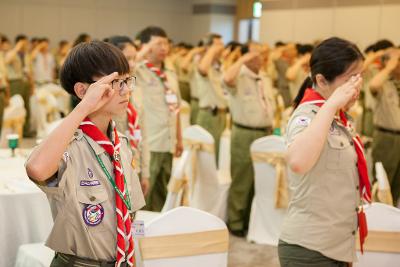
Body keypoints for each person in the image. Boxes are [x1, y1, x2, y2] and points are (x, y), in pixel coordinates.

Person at [25, 41, 145, 267]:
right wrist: (84, 107)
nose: (126, 90)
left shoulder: (121, 144)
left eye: (127, 81)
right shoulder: (68, 144)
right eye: (115, 83)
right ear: (82, 90)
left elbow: (129, 216)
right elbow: (37, 168)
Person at [279, 37, 371, 267]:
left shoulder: (338, 117)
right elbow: (298, 162)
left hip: (337, 247)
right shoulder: (307, 116)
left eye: (360, 76)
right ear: (321, 80)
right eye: (350, 78)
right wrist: (331, 105)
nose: (357, 85)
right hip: (310, 249)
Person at [223, 43, 275, 236]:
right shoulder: (238, 76)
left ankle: (249, 221)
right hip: (245, 133)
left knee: (259, 179)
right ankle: (235, 222)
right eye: (258, 54)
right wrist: (243, 58)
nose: (262, 57)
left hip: (265, 132)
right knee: (242, 178)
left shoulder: (264, 77)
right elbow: (227, 78)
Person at [135, 26, 183, 211]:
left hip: (168, 141)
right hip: (151, 143)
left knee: (163, 191)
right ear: (146, 47)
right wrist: (142, 51)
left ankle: (157, 231)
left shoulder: (170, 74)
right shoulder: (138, 71)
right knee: (145, 193)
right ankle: (139, 236)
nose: (164, 48)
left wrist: (179, 138)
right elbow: (124, 70)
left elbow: (176, 109)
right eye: (158, 44)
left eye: (166, 43)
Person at [107, 35, 151, 198]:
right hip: (113, 169)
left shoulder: (135, 90)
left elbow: (143, 133)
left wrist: (144, 172)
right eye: (128, 58)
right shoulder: (106, 94)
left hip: (135, 165)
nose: (132, 64)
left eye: (134, 58)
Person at [369, 48, 400, 206]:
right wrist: (389, 67)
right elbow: (373, 85)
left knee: (396, 188)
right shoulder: (383, 81)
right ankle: (378, 224)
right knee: (382, 185)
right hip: (386, 138)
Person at [196, 33, 227, 163]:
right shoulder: (203, 62)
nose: (221, 48)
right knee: (206, 158)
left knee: (216, 156)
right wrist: (212, 50)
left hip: (221, 114)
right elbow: (203, 69)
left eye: (221, 44)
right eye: (217, 45)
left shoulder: (220, 65)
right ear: (208, 47)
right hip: (209, 114)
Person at [5, 34, 35, 137]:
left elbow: (30, 71)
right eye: (24, 43)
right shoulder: (12, 53)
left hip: (25, 82)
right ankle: (14, 132)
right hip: (15, 82)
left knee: (27, 107)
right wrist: (17, 47)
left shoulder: (26, 55)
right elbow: (7, 60)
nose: (26, 45)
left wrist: (32, 85)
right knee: (17, 106)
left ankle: (26, 131)